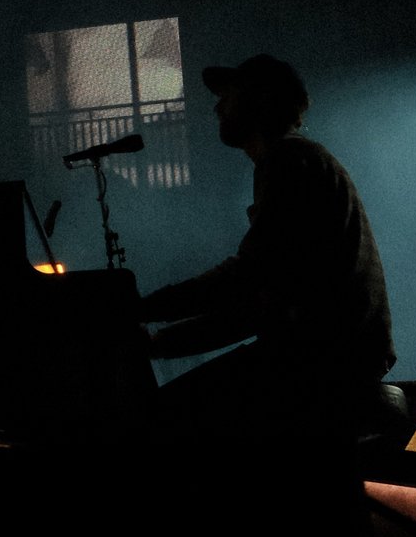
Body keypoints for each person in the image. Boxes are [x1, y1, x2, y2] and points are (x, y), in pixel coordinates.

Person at [138, 54, 402, 444]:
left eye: (226, 96)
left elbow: (247, 277)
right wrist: (163, 341)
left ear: (256, 100)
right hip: (334, 355)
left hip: (319, 362)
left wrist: (144, 312)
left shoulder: (289, 160)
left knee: (161, 422)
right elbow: (263, 301)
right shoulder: (303, 160)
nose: (216, 107)